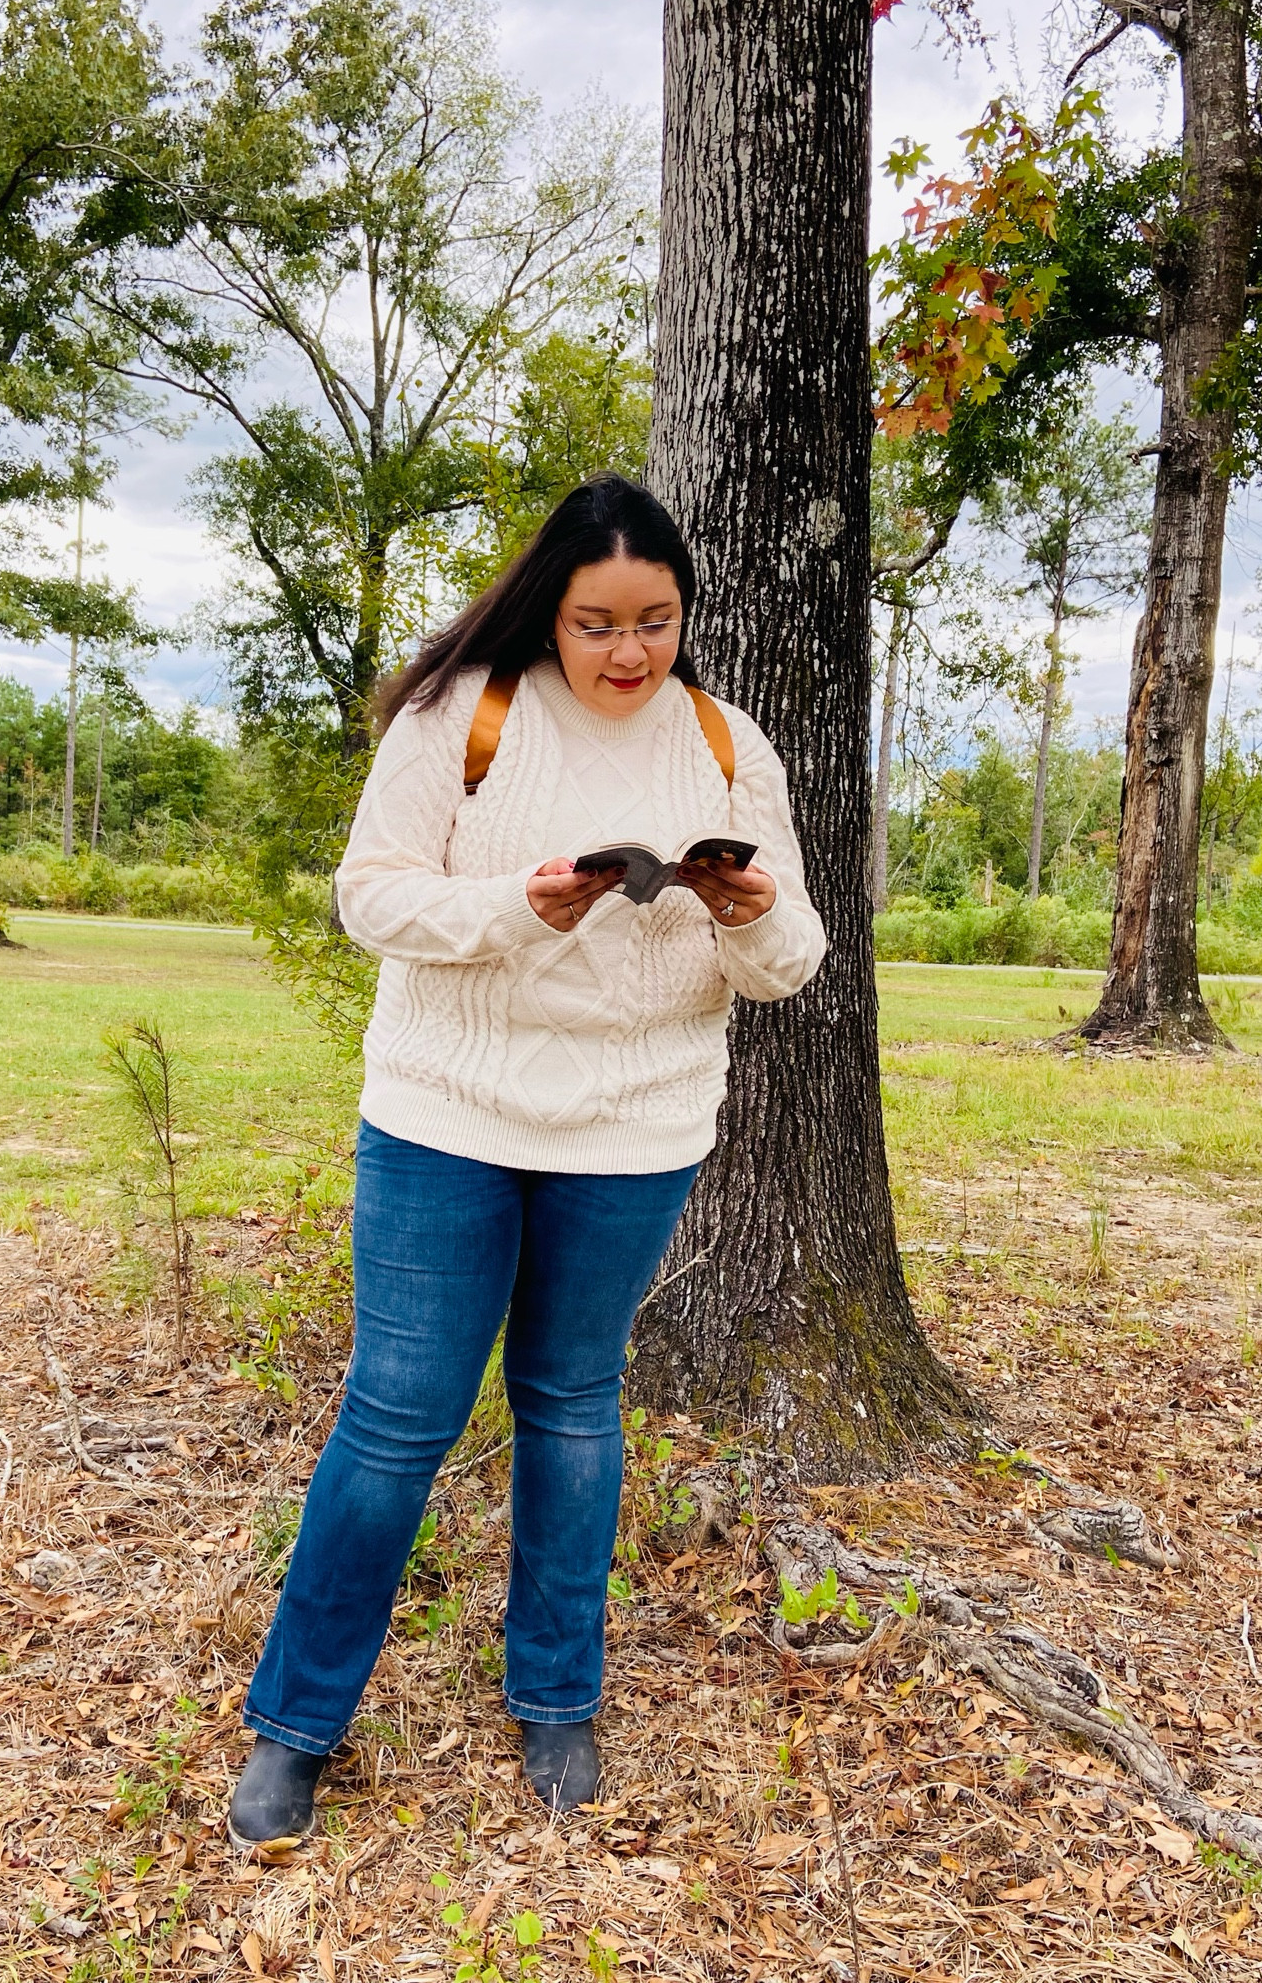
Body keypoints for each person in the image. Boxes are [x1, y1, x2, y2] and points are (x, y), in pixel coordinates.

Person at [228, 473, 827, 1846]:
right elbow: (369, 894)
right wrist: (523, 903)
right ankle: (295, 1726)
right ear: (548, 613)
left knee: (571, 1408)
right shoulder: (465, 718)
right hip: (449, 1116)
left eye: (657, 622)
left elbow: (791, 965)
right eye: (598, 622)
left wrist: (744, 909)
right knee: (396, 1418)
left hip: (637, 1129)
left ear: (686, 617)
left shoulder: (730, 747)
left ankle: (557, 1695)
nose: (630, 652)